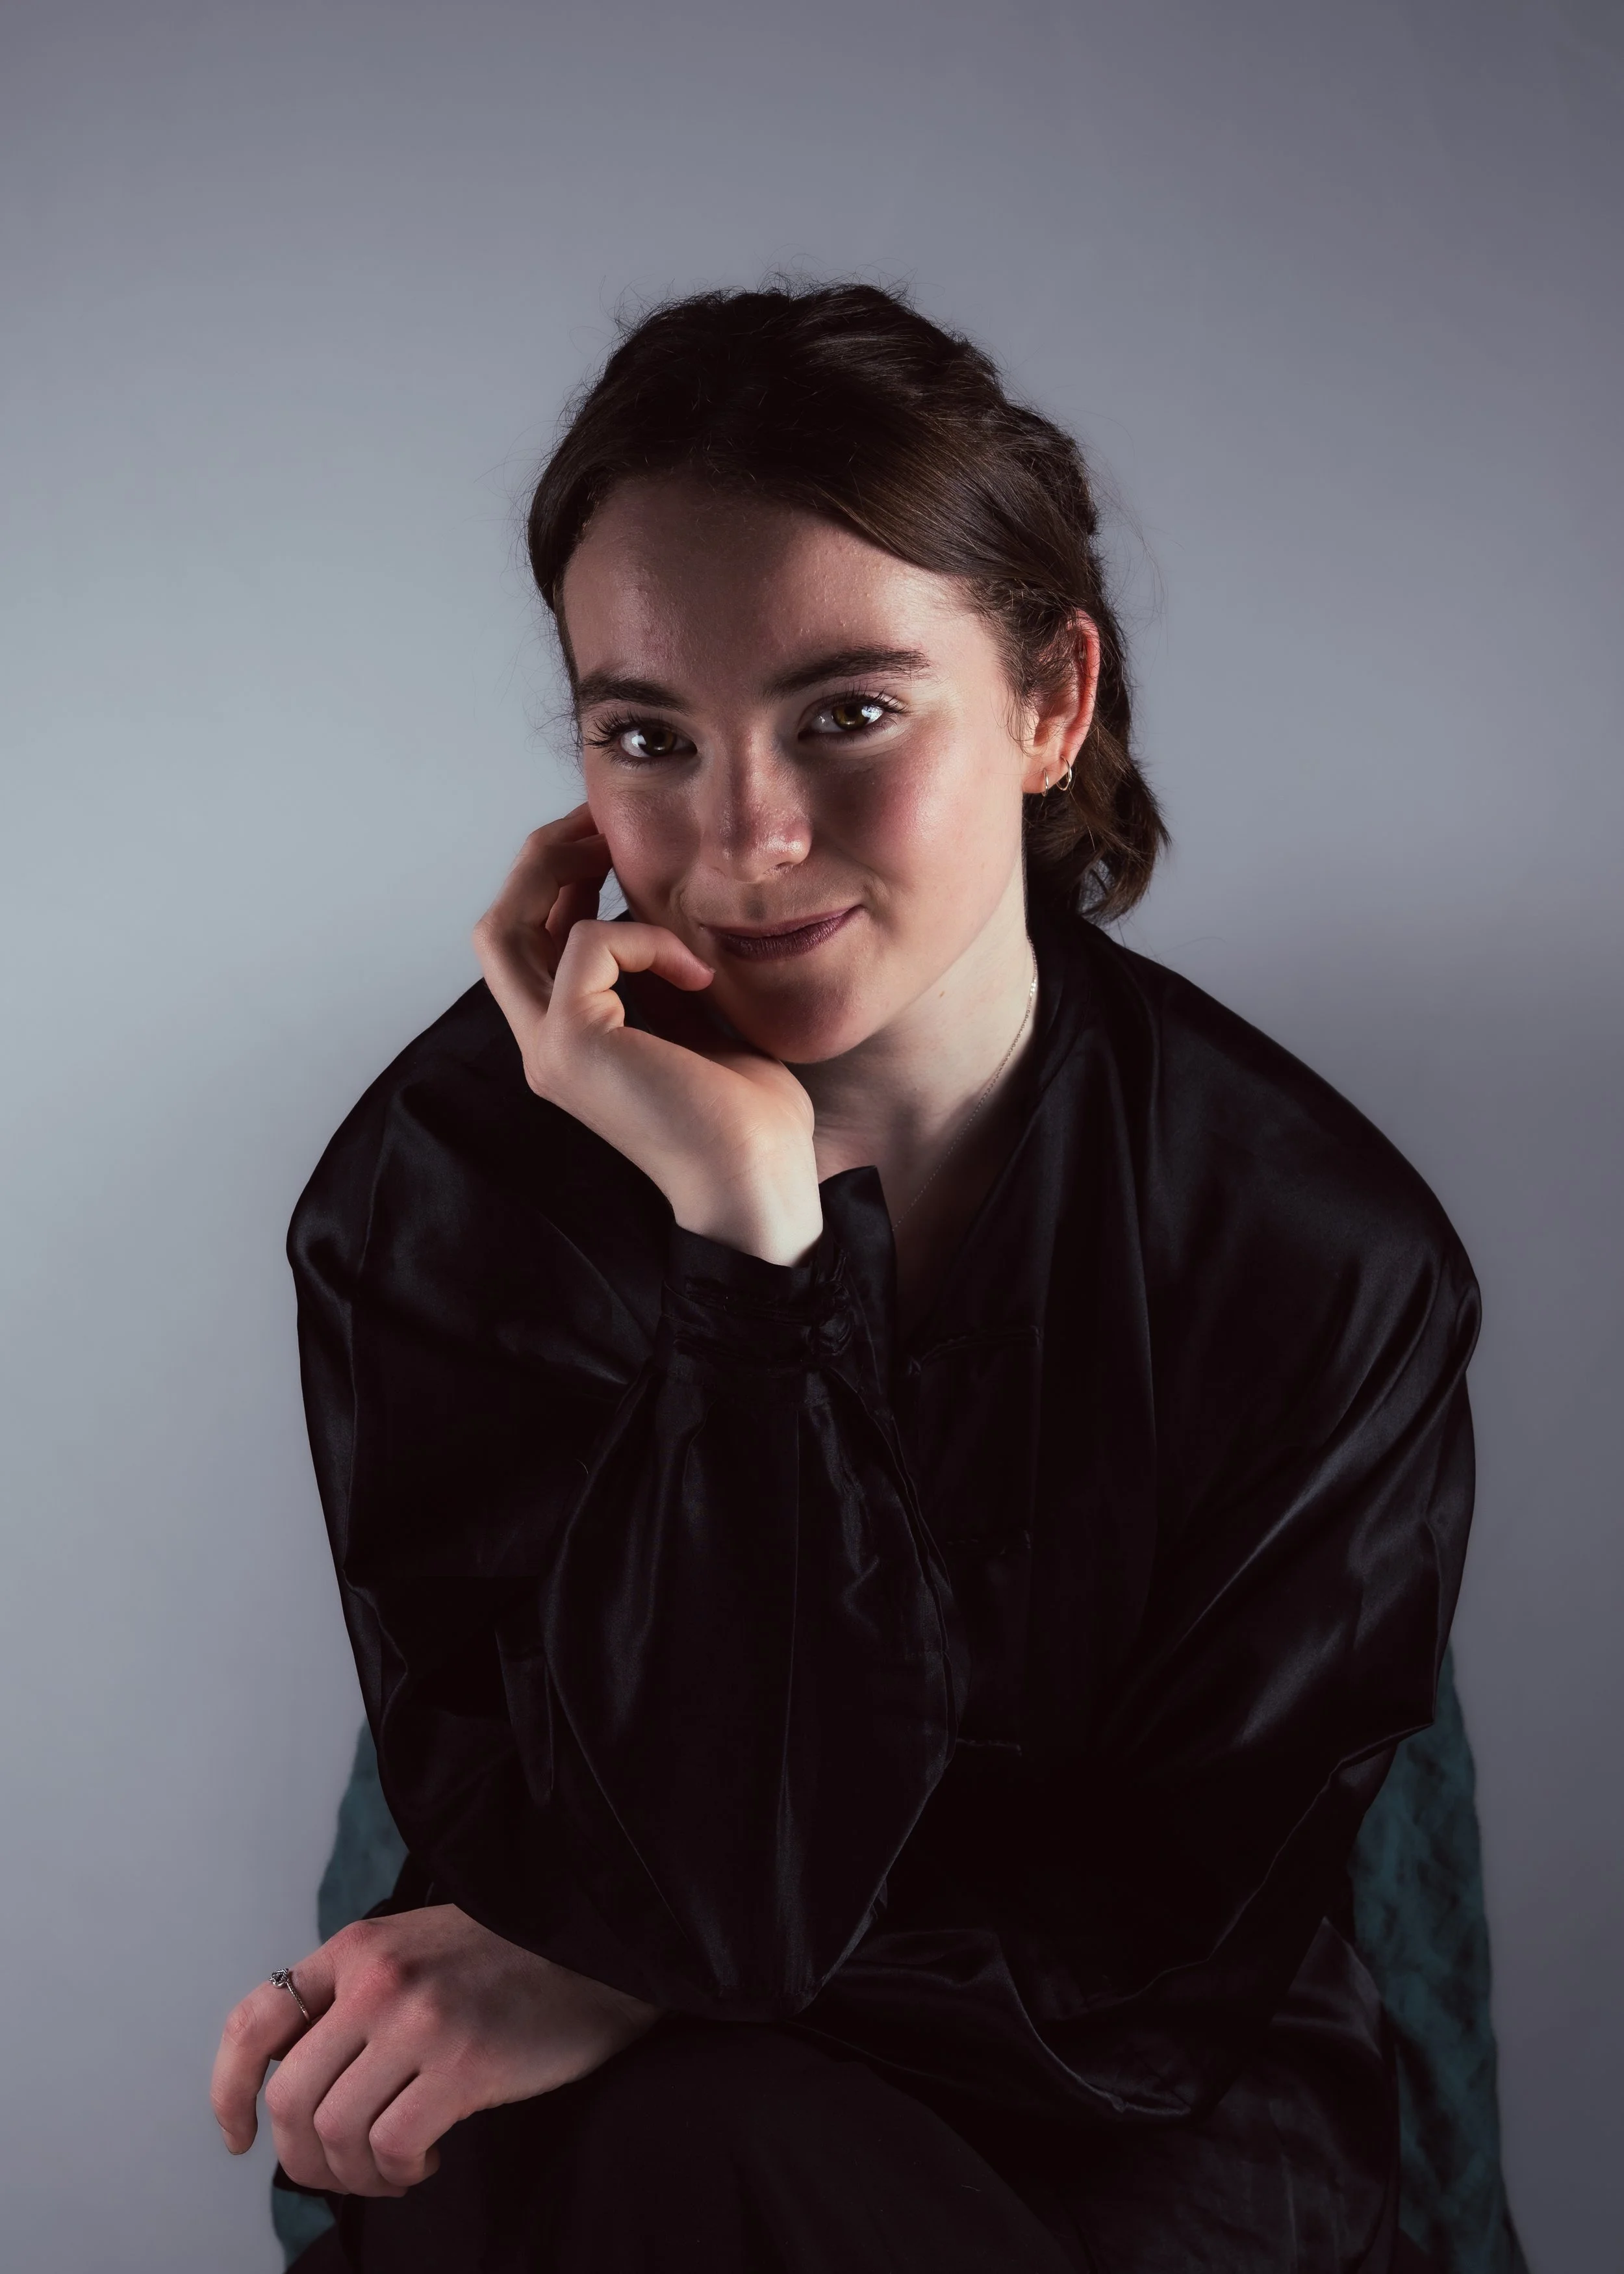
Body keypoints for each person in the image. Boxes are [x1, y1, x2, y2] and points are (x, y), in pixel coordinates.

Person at [211, 283, 1478, 2272]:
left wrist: (625, 1972)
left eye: (847, 713)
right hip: (627, 2125)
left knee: (678, 2124)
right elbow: (560, 1834)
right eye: (649, 734)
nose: (745, 842)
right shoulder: (448, 1191)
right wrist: (748, 1246)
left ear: (1050, 702)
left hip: (1125, 2128)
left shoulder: (1317, 1251)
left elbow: (1162, 1939)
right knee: (641, 2141)